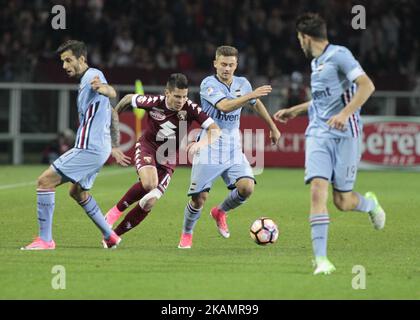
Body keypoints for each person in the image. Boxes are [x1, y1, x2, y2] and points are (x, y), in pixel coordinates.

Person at [273, 13, 386, 275]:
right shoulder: (316, 63)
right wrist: (296, 110)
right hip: (318, 134)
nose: (299, 44)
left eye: (299, 39)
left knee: (342, 201)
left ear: (306, 37)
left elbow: (367, 86)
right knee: (317, 190)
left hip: (346, 134)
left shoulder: (340, 55)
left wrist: (346, 114)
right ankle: (321, 260)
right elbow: (323, 103)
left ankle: (370, 204)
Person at [22, 40, 130, 250]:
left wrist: (104, 89)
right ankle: (110, 236)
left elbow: (112, 93)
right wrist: (114, 144)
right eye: (63, 61)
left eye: (69, 60)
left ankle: (45, 240)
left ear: (82, 59)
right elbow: (113, 111)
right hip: (99, 148)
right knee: (77, 192)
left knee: (45, 181)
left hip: (89, 148)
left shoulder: (92, 76)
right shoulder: (84, 82)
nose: (65, 66)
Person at [178, 45, 281, 249]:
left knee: (247, 187)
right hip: (209, 144)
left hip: (233, 145)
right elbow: (225, 106)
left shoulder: (243, 83)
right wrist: (250, 96)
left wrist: (272, 126)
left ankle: (220, 211)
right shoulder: (208, 84)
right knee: (199, 199)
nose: (226, 68)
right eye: (223, 64)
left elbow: (256, 104)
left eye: (231, 65)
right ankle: (187, 234)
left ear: (236, 65)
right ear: (215, 63)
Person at [104, 73, 221, 239]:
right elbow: (129, 98)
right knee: (150, 183)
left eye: (184, 96)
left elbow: (215, 130)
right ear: (167, 93)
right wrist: (114, 116)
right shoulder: (154, 102)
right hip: (148, 147)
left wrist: (199, 144)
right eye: (177, 96)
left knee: (149, 202)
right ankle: (113, 213)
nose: (181, 100)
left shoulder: (190, 108)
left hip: (168, 159)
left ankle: (113, 236)